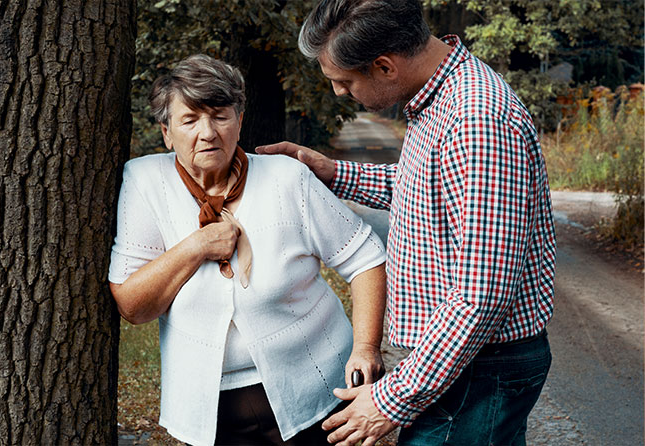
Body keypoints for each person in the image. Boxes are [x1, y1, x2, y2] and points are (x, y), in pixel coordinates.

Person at [256, 1, 557, 445]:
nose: (338, 92)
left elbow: (481, 297)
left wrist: (389, 401)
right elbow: (424, 188)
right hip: (465, 363)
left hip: (478, 369)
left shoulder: (476, 120)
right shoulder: (441, 100)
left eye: (344, 81)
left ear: (384, 66)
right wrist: (334, 172)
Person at [108, 54, 388, 446]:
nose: (208, 132)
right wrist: (196, 246)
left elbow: (365, 257)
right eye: (190, 120)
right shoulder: (144, 182)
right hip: (210, 415)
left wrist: (366, 348)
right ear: (166, 132)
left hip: (318, 393)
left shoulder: (287, 177)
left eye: (220, 116)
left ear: (239, 121)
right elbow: (133, 306)